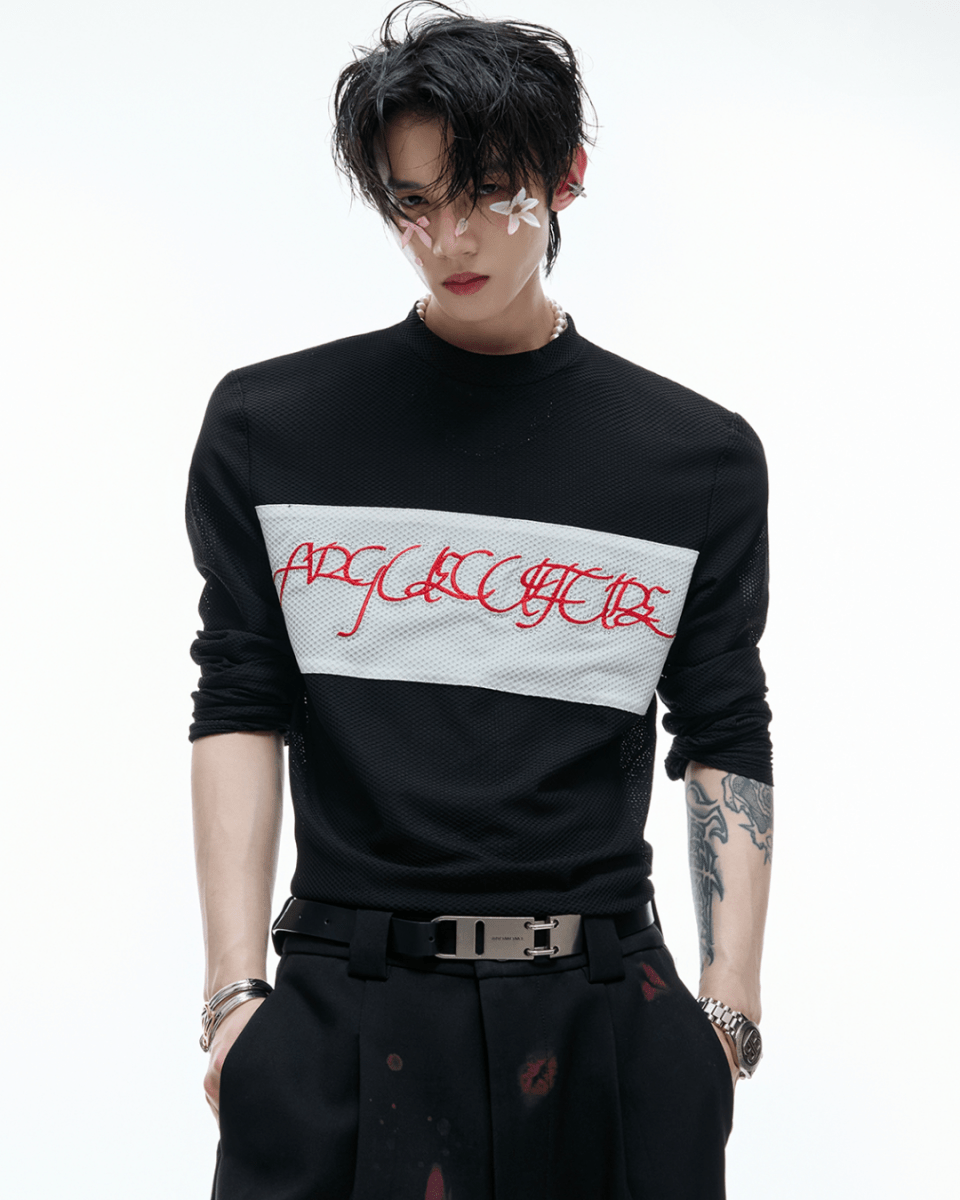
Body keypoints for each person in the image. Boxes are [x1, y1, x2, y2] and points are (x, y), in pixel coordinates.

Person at [186, 3, 774, 1198]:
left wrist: (728, 1013)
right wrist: (234, 996)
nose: (449, 236)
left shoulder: (694, 460)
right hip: (344, 1010)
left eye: (486, 190)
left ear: (567, 176)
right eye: (412, 202)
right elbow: (238, 699)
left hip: (608, 1021)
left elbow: (725, 728)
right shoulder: (270, 429)